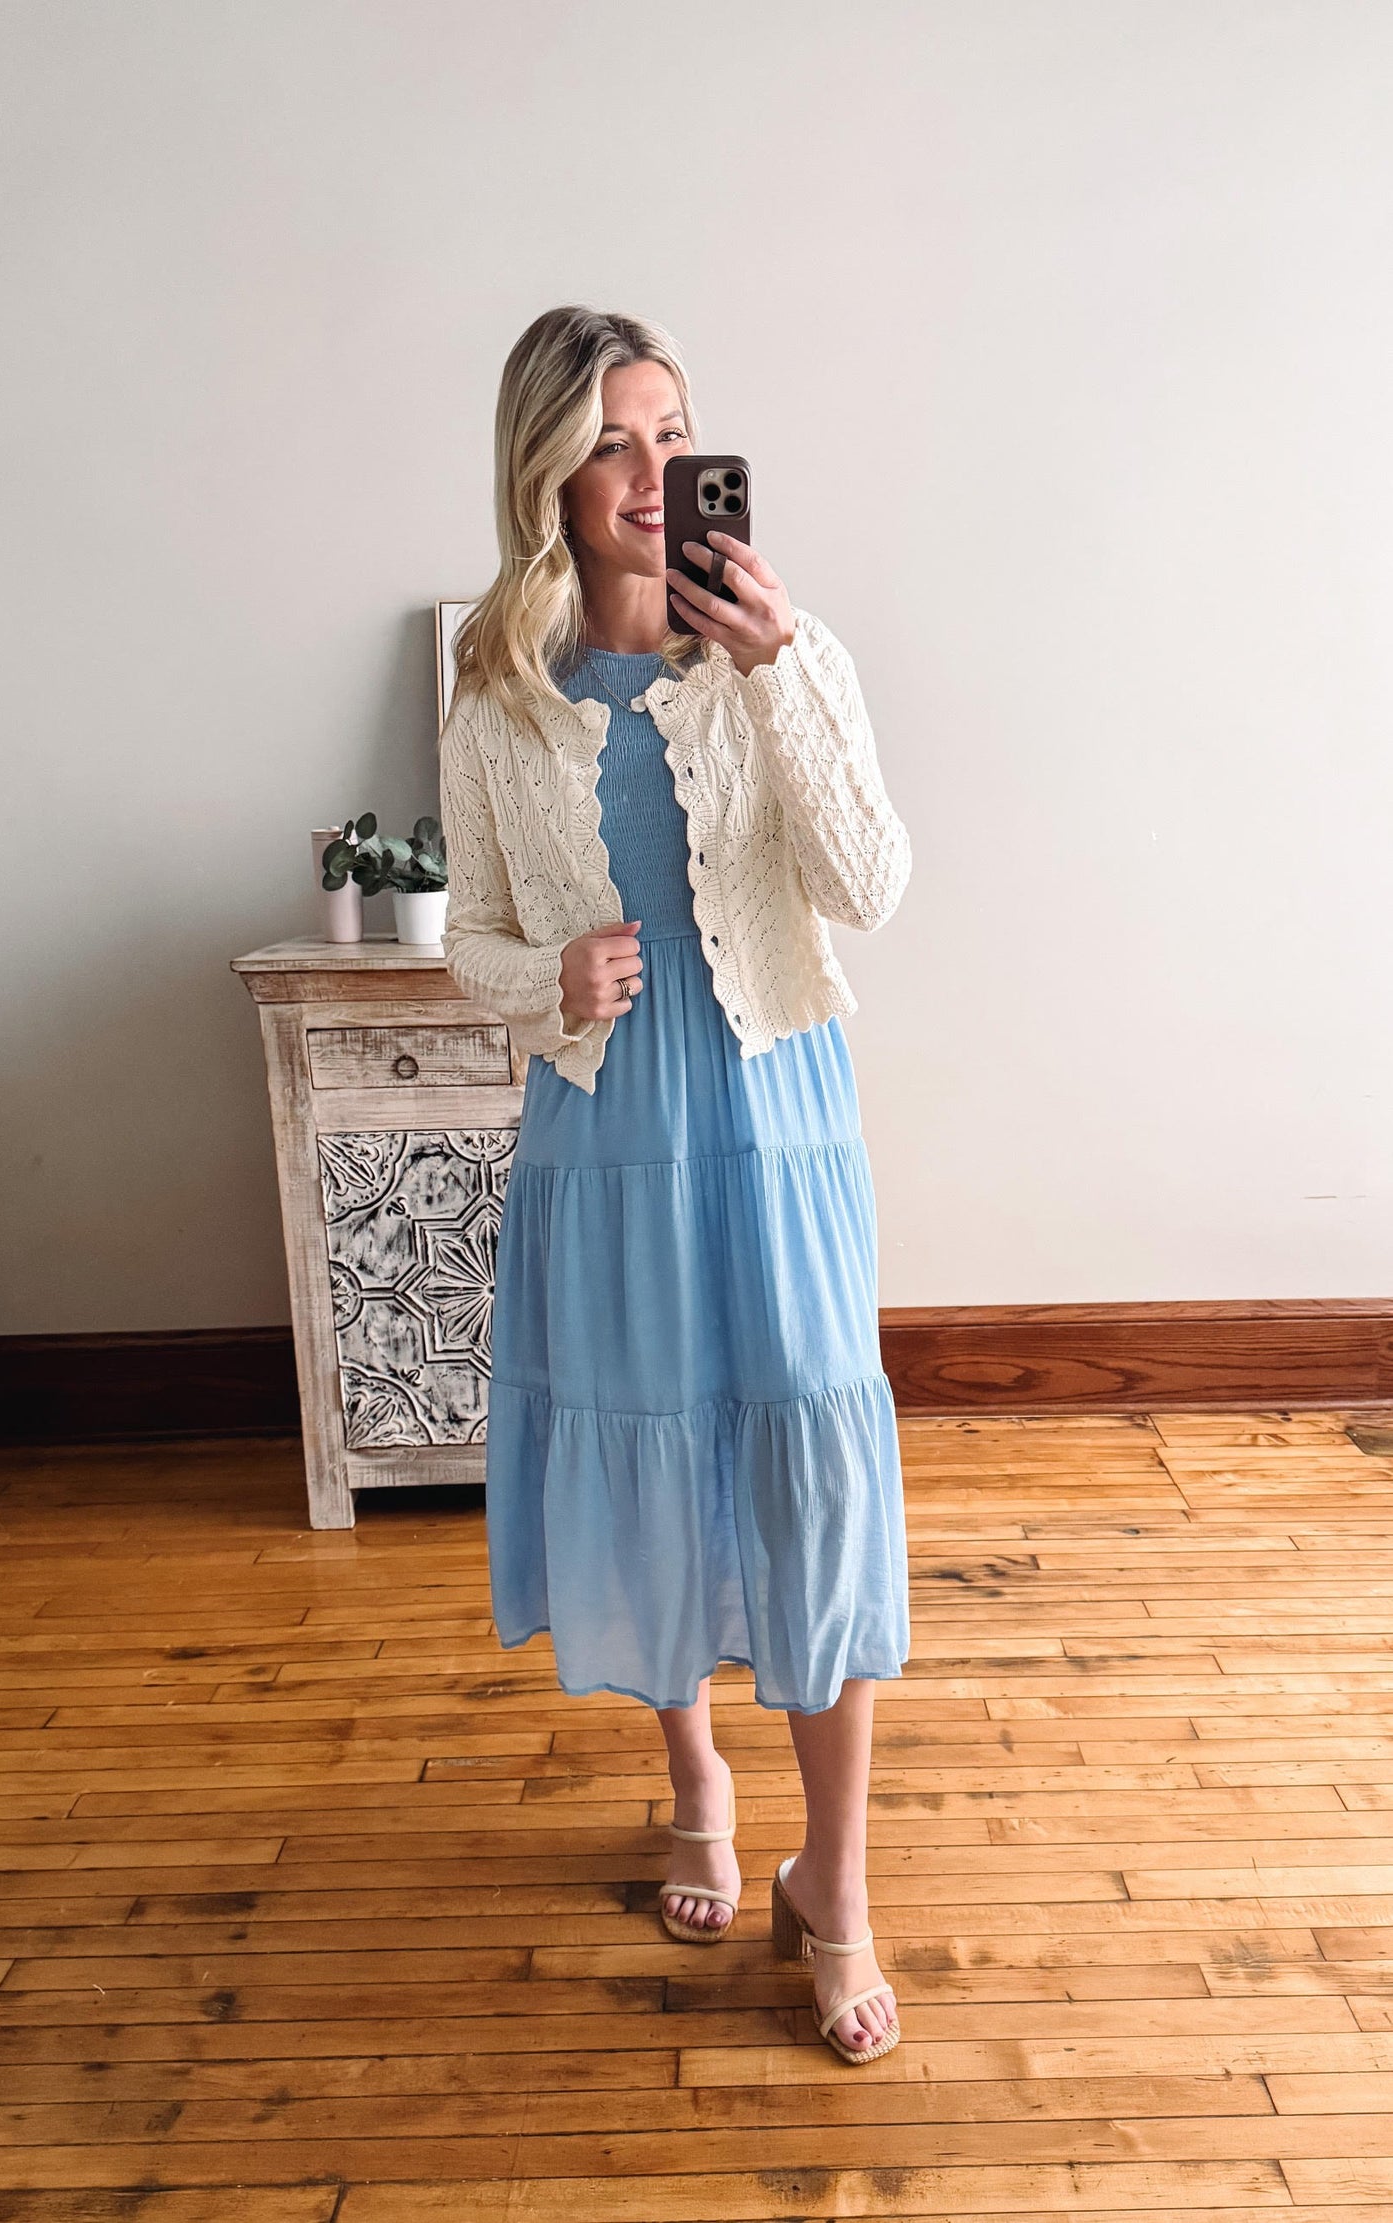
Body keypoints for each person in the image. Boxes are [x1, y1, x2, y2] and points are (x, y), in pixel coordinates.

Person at [439, 305, 912, 2064]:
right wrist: (542, 979)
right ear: (549, 476)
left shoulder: (789, 655)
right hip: (608, 1132)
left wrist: (781, 665)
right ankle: (694, 1772)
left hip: (775, 1114)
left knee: (808, 1469)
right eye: (618, 444)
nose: (654, 476)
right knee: (651, 1450)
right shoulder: (497, 696)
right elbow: (470, 939)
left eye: (676, 435)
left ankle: (837, 1889)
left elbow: (868, 883)